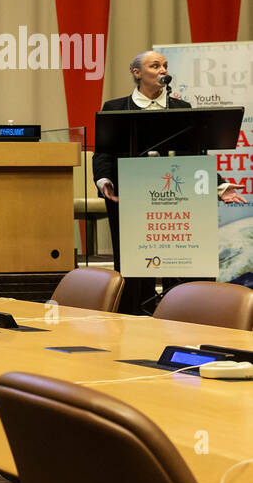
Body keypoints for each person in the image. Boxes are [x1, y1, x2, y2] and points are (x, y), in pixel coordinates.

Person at [92, 50, 245, 310]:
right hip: (128, 194)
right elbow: (104, 152)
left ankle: (181, 309)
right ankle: (133, 314)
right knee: (133, 262)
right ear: (137, 73)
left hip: (177, 197)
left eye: (164, 65)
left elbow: (195, 155)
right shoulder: (115, 108)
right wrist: (104, 181)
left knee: (179, 255)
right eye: (155, 66)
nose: (163, 70)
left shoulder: (181, 109)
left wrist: (218, 186)